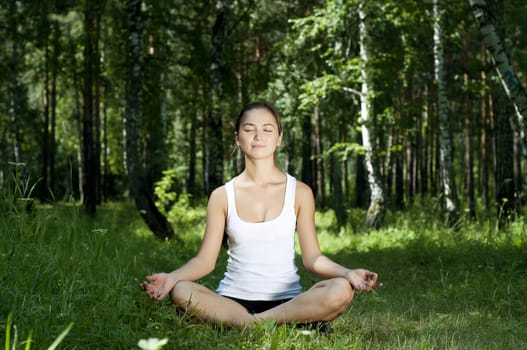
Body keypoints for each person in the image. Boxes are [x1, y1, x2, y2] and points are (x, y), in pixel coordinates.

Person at [140, 101, 382, 329]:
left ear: (279, 138)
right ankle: (269, 323)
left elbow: (313, 258)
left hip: (288, 302)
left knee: (341, 289)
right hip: (232, 301)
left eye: (267, 129)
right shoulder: (222, 196)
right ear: (237, 138)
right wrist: (171, 278)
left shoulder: (300, 192)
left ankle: (250, 324)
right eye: (249, 129)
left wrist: (348, 273)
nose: (258, 136)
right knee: (181, 291)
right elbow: (205, 261)